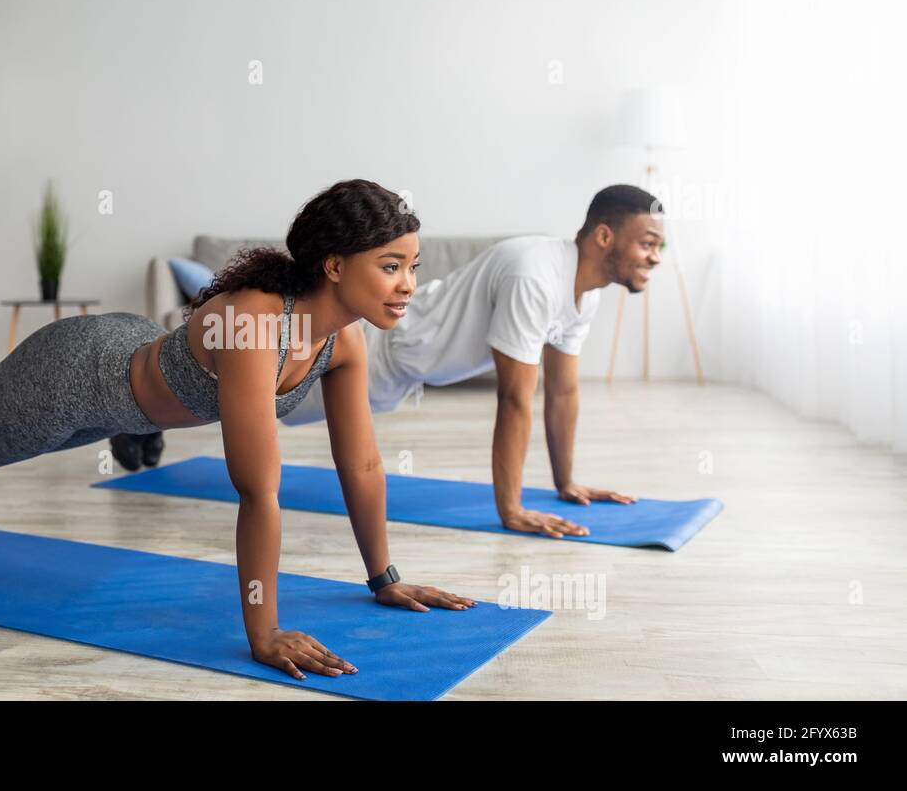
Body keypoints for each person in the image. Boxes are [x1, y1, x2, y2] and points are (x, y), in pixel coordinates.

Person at [0, 179, 474, 681]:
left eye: (412, 266)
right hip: (75, 378)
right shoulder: (258, 319)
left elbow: (365, 468)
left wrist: (385, 578)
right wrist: (263, 633)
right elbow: (259, 490)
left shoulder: (342, 341)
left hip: (136, 380)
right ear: (335, 264)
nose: (408, 283)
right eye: (391, 266)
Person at [112, 184, 665, 539]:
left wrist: (567, 483)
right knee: (236, 403)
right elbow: (516, 396)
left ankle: (137, 413)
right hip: (378, 351)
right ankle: (133, 401)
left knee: (238, 404)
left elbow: (562, 391)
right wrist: (511, 510)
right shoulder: (535, 274)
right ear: (604, 235)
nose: (655, 257)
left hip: (398, 371)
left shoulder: (580, 292)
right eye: (648, 243)